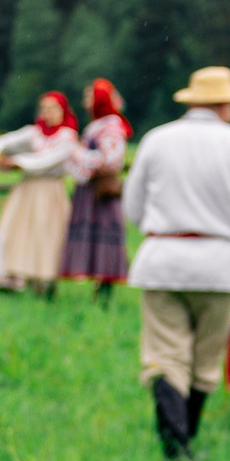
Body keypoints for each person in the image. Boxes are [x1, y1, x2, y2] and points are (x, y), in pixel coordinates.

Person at [124, 66, 230, 460]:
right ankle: (183, 441)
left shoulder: (157, 140)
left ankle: (176, 443)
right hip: (221, 266)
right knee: (205, 362)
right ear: (227, 103)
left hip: (164, 261)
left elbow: (133, 206)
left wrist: (161, 231)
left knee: (166, 356)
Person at [0, 90, 79, 294]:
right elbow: (2, 142)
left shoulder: (67, 137)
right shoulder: (35, 133)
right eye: (44, 108)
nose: (48, 113)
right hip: (27, 190)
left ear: (63, 110)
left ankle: (43, 283)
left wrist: (18, 162)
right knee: (16, 231)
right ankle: (10, 278)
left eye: (53, 108)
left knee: (46, 235)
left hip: (49, 190)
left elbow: (47, 160)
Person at [61, 77, 133, 297]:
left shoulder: (110, 126)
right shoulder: (98, 125)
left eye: (89, 96)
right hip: (90, 190)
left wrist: (79, 155)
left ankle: (104, 290)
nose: (85, 101)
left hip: (101, 192)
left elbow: (111, 159)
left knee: (103, 235)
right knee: (94, 237)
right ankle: (98, 287)